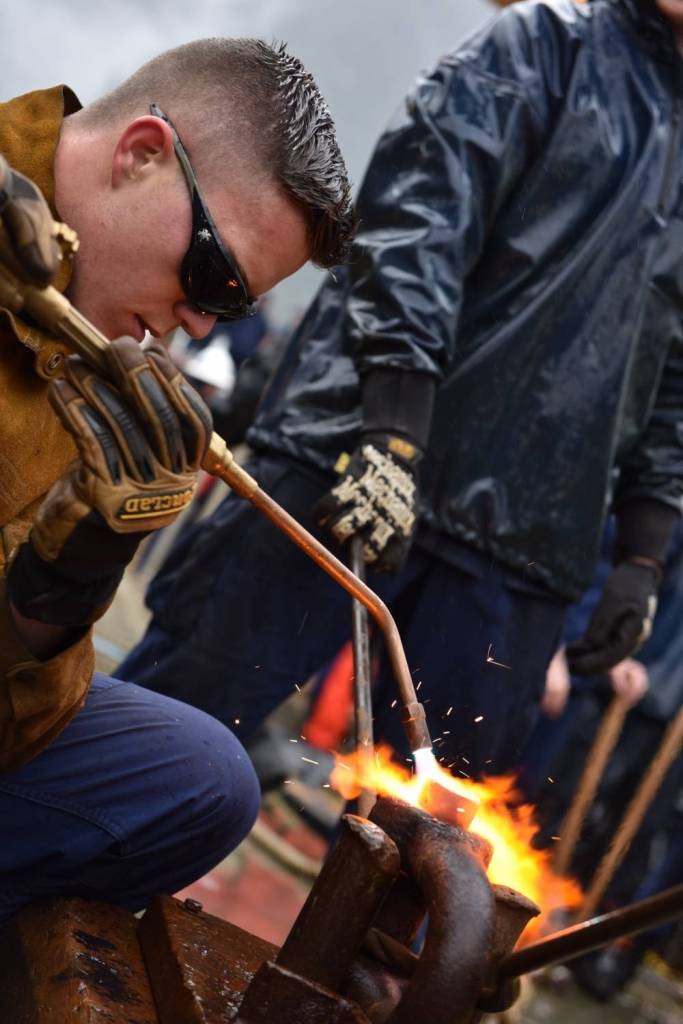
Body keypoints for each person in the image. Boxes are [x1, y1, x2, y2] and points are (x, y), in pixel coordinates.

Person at [119, 0, 683, 777]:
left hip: (523, 548)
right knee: (164, 737)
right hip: (352, 458)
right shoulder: (543, 44)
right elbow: (416, 223)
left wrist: (643, 557)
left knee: (434, 844)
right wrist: (393, 431)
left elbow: (675, 381)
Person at [0, 38, 354, 923]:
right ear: (142, 153)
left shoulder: (88, 353)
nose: (197, 325)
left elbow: (20, 726)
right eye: (213, 275)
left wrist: (55, 596)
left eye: (231, 307)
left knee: (203, 777)